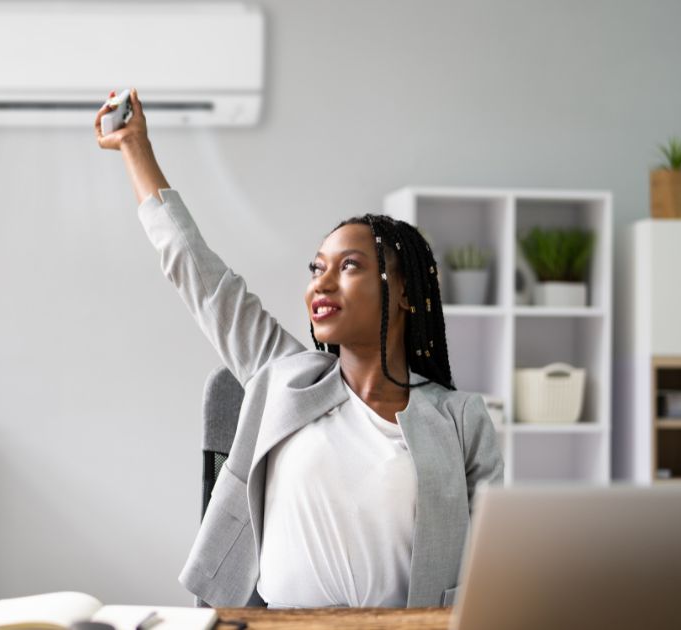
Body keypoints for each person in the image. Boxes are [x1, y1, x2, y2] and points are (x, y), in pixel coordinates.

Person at [95, 89, 503, 609]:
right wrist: (136, 148)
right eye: (317, 268)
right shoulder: (285, 375)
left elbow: (489, 571)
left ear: (404, 292)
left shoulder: (460, 420)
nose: (321, 284)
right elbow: (197, 272)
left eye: (348, 266)